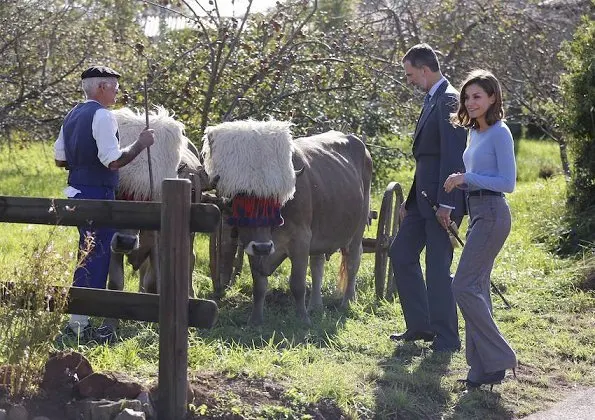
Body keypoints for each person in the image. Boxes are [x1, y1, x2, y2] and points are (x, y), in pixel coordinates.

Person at [54, 65, 154, 342]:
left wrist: (82, 162)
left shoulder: (72, 114)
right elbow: (113, 161)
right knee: (96, 257)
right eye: (114, 87)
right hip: (97, 194)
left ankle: (78, 322)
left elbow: (60, 160)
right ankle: (80, 326)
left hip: (76, 192)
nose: (117, 92)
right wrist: (140, 144)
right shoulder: (103, 116)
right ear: (101, 88)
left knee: (87, 253)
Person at [389, 44, 467, 352]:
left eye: (410, 73)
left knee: (437, 267)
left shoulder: (449, 99)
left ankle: (447, 339)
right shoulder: (431, 98)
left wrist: (447, 204)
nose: (408, 80)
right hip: (421, 201)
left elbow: (453, 154)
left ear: (424, 69)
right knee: (401, 253)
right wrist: (409, 203)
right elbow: (425, 160)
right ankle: (420, 326)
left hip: (441, 202)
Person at [443, 69, 517, 388]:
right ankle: (483, 369)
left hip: (493, 212)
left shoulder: (501, 132)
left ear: (492, 98)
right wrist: (461, 183)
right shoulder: (474, 132)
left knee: (463, 286)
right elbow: (478, 175)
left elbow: (508, 183)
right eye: (466, 96)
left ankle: (501, 357)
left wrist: (467, 178)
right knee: (477, 288)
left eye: (477, 96)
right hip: (477, 212)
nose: (470, 102)